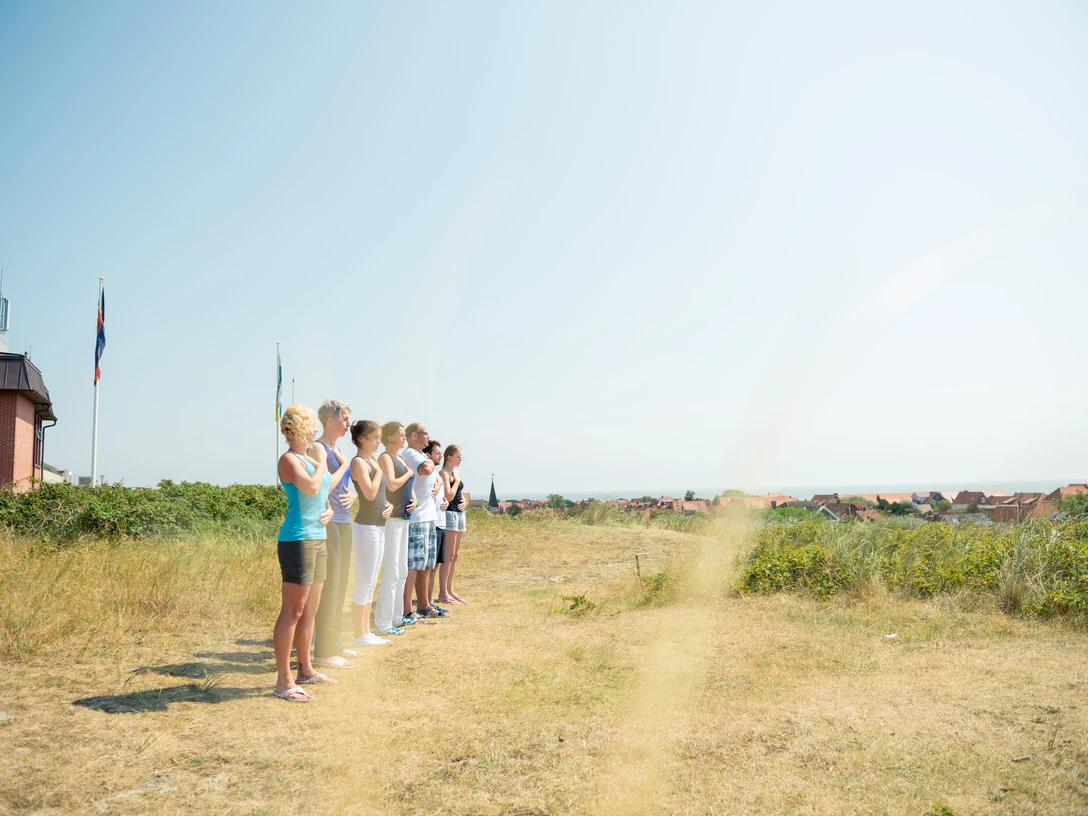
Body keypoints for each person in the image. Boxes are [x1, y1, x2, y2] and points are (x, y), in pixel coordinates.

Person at [273, 404, 337, 702]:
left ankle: (306, 670)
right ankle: (283, 681)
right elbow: (312, 487)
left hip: (318, 537)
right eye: (312, 424)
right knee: (293, 611)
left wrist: (328, 508)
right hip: (297, 540)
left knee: (311, 609)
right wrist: (322, 462)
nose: (315, 429)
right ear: (299, 428)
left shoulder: (307, 457)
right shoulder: (288, 460)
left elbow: (319, 495)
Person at [312, 399, 355, 669]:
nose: (348, 423)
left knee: (341, 583)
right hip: (329, 523)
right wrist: (342, 467)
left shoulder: (337, 449)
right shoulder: (317, 448)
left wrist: (352, 494)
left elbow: (342, 486)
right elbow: (322, 488)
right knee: (330, 586)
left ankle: (335, 643)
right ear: (330, 420)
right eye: (345, 417)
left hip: (345, 520)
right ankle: (324, 651)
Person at [348, 419, 394, 646]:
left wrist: (390, 505)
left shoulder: (372, 461)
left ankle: (365, 632)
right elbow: (368, 493)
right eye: (375, 438)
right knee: (365, 581)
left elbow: (380, 494)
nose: (378, 442)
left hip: (378, 526)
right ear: (361, 439)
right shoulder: (359, 463)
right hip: (366, 527)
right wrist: (380, 471)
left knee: (371, 580)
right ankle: (359, 634)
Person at [374, 422, 416, 636]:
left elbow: (408, 486)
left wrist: (414, 500)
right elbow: (391, 484)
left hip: (404, 518)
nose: (404, 438)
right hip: (392, 520)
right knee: (391, 572)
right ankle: (382, 624)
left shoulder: (400, 458)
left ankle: (396, 618)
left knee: (402, 571)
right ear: (389, 438)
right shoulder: (385, 458)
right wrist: (408, 475)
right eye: (400, 435)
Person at [402, 422, 441, 621]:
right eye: (425, 433)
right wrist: (430, 463)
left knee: (426, 564)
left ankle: (425, 605)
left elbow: (434, 476)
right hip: (417, 518)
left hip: (429, 516)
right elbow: (426, 469)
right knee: (413, 565)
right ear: (414, 435)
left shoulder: (421, 455)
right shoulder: (410, 454)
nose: (427, 437)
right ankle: (408, 608)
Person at [423, 440, 449, 616]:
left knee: (436, 565)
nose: (440, 456)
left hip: (441, 522)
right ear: (428, 455)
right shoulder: (427, 473)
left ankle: (431, 601)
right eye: (437, 453)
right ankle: (426, 603)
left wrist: (444, 500)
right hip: (432, 522)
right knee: (429, 567)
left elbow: (439, 484)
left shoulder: (436, 475)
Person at [439, 444, 468, 605]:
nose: (460, 460)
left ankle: (450, 589)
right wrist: (456, 480)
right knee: (448, 555)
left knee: (455, 555)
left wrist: (464, 502)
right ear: (449, 457)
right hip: (449, 514)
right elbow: (449, 496)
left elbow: (459, 495)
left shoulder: (457, 473)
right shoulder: (444, 474)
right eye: (458, 457)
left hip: (459, 514)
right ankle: (443, 592)